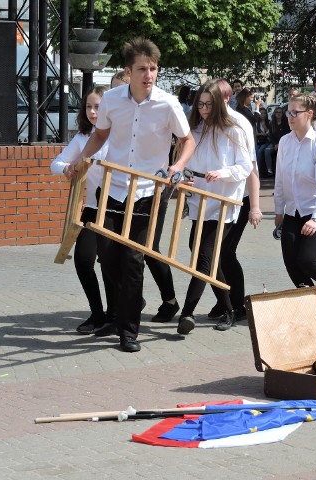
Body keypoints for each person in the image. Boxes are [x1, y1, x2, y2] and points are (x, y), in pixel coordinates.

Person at [73, 37, 197, 353]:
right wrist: (83, 158)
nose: (149, 75)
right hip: (113, 188)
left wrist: (178, 166)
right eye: (142, 69)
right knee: (108, 255)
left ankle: (128, 331)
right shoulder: (112, 100)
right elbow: (100, 134)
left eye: (153, 68)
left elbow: (188, 140)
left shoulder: (168, 104)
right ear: (129, 71)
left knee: (133, 258)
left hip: (148, 191)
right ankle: (130, 300)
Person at [176, 80, 253, 335]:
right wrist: (184, 177)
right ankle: (229, 307)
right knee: (204, 256)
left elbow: (245, 167)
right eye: (201, 104)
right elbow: (184, 162)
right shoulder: (194, 130)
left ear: (219, 104)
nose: (204, 109)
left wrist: (222, 173)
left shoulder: (234, 130)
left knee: (204, 259)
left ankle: (187, 313)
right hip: (200, 200)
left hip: (223, 203)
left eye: (209, 105)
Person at [274, 93, 316, 320]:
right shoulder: (285, 142)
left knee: (306, 260)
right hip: (292, 211)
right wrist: (278, 210)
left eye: (295, 113)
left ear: (309, 114)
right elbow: (280, 180)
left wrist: (315, 219)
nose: (290, 117)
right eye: (288, 112)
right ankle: (311, 305)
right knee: (291, 264)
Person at [50, 86, 113, 334]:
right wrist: (67, 168)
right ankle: (97, 313)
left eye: (97, 106)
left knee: (113, 265)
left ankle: (118, 312)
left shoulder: (120, 135)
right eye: (88, 106)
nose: (93, 112)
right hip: (93, 208)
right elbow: (55, 164)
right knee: (83, 260)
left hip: (118, 209)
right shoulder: (83, 137)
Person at [205, 78, 262, 325]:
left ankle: (236, 304)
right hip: (218, 197)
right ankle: (224, 299)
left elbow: (250, 167)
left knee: (225, 251)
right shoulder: (210, 121)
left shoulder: (239, 124)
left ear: (226, 98)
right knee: (214, 252)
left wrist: (256, 206)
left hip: (240, 198)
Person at [255, 107, 274, 176]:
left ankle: (258, 171)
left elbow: (270, 134)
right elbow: (255, 133)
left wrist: (265, 127)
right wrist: (260, 134)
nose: (263, 115)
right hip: (259, 141)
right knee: (256, 150)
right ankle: (255, 170)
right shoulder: (257, 123)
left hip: (267, 141)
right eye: (261, 113)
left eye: (264, 113)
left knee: (260, 151)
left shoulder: (269, 122)